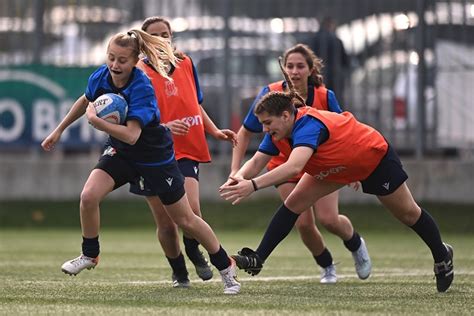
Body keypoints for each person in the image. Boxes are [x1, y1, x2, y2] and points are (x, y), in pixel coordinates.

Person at [219, 61, 454, 293]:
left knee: (408, 213)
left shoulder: (308, 123)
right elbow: (257, 160)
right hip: (337, 167)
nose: (265, 130)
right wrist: (236, 178)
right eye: (262, 124)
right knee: (294, 204)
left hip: (372, 157)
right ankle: (258, 258)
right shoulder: (278, 131)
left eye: (268, 123)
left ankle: (442, 256)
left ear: (286, 115)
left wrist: (252, 185)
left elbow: (294, 167)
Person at [41, 28, 240, 294]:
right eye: (111, 57)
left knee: (186, 219)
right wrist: (59, 129)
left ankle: (225, 267)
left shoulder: (142, 86)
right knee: (88, 196)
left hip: (153, 156)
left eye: (122, 60)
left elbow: (133, 135)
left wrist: (97, 122)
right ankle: (90, 254)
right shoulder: (102, 75)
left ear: (136, 61)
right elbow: (86, 100)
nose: (114, 64)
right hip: (121, 152)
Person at [226, 44, 370, 283]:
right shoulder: (270, 94)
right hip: (284, 164)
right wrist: (236, 172)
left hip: (321, 164)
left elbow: (345, 129)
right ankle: (327, 266)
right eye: (289, 66)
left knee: (329, 219)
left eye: (300, 66)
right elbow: (247, 133)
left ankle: (355, 243)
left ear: (311, 69)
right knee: (302, 222)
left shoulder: (324, 96)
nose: (294, 71)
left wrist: (351, 166)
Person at [136, 16, 237, 288]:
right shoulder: (138, 72)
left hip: (185, 148)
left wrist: (214, 130)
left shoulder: (186, 62)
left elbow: (195, 104)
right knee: (167, 224)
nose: (162, 39)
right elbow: (135, 117)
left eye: (166, 34)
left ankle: (194, 250)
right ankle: (179, 270)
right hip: (152, 151)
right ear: (145, 42)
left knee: (191, 211)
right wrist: (164, 127)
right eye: (155, 35)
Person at [307, 16, 349, 103]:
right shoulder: (336, 40)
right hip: (334, 76)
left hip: (316, 75)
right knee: (334, 102)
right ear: (330, 25)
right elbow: (345, 61)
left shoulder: (312, 40)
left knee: (317, 101)